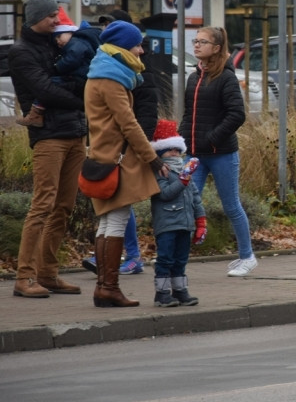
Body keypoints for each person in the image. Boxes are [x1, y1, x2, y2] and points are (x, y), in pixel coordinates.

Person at [8, 0, 87, 297]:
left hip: (75, 133)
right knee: (43, 205)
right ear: (35, 19)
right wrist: (84, 100)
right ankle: (24, 277)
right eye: (51, 16)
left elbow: (79, 75)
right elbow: (44, 90)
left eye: (57, 14)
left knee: (64, 207)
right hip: (49, 138)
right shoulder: (22, 52)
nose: (57, 20)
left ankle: (48, 273)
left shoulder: (59, 44)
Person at [84, 20, 168, 307]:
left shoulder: (101, 72)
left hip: (104, 155)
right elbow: (129, 124)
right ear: (122, 46)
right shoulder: (110, 79)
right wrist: (153, 159)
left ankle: (103, 288)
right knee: (116, 221)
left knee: (107, 222)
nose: (141, 50)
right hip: (117, 159)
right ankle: (109, 288)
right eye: (136, 45)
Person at [180, 26, 258, 277]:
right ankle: (177, 257)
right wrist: (180, 141)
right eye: (195, 41)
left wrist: (212, 139)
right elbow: (188, 114)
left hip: (221, 153)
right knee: (185, 201)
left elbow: (237, 114)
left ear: (216, 48)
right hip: (194, 154)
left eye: (202, 42)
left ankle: (247, 257)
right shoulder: (194, 76)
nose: (196, 45)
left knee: (231, 205)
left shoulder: (225, 77)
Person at [148, 120, 205, 307]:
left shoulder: (184, 169)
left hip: (185, 222)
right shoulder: (159, 170)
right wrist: (183, 180)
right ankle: (162, 293)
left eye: (177, 149)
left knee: (181, 259)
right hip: (167, 223)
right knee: (165, 258)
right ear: (159, 152)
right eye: (169, 149)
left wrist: (201, 221)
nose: (174, 153)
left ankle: (180, 290)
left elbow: (195, 196)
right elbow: (164, 194)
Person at [16, 8, 98, 127]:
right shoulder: (76, 43)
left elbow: (73, 58)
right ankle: (35, 114)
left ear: (70, 32)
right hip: (79, 82)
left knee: (53, 82)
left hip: (77, 78)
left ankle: (35, 114)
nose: (58, 41)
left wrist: (58, 66)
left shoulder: (76, 42)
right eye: (55, 39)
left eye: (59, 36)